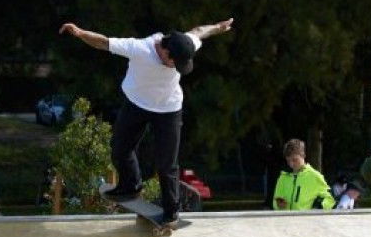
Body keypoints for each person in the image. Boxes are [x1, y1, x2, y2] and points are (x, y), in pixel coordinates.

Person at [59, 17, 234, 225]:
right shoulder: (139, 48)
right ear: (165, 51)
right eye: (174, 63)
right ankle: (130, 186)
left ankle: (171, 211)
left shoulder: (183, 44)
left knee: (166, 164)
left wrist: (218, 28)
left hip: (169, 109)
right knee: (120, 149)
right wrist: (79, 33)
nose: (176, 68)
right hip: (136, 104)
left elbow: (198, 30)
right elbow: (103, 42)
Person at [272, 139, 334, 210]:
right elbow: (275, 201)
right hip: (284, 220)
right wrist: (278, 205)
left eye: (295, 160)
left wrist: (319, 208)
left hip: (305, 220)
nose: (291, 164)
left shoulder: (315, 176)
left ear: (303, 155)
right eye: (288, 161)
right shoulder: (283, 177)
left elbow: (330, 199)